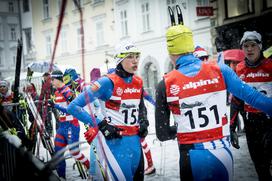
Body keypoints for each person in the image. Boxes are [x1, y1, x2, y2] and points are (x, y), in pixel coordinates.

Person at [155, 24, 272, 181]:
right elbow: (253, 97)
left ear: (170, 52)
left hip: (191, 155)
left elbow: (162, 134)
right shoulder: (220, 70)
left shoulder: (165, 83)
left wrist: (181, 127)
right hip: (221, 153)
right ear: (191, 47)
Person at [67, 41, 149, 180]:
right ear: (119, 59)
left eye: (137, 56)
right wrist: (101, 124)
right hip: (116, 144)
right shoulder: (106, 82)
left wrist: (143, 120)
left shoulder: (138, 81)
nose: (135, 60)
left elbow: (140, 106)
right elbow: (73, 107)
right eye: (130, 56)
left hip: (135, 144)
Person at [232, 31, 272, 181]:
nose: (249, 49)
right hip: (251, 122)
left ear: (260, 47)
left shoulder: (270, 66)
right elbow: (236, 100)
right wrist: (231, 127)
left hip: (269, 122)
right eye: (246, 46)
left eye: (253, 45)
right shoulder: (240, 68)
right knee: (260, 166)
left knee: (268, 159)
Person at [50, 70, 90, 179]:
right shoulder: (57, 92)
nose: (51, 82)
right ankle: (62, 178)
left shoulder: (67, 91)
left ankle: (90, 167)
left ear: (57, 79)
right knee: (58, 155)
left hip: (72, 125)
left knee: (75, 153)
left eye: (52, 80)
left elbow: (74, 109)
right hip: (62, 126)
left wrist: (55, 106)